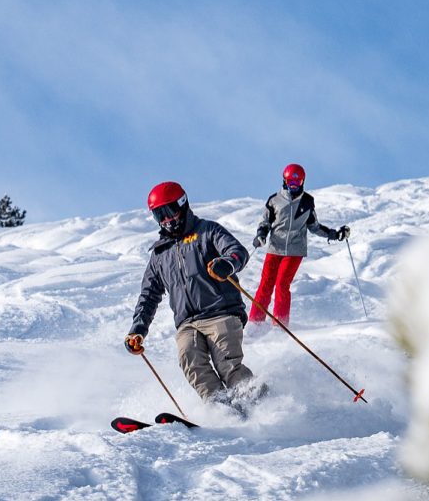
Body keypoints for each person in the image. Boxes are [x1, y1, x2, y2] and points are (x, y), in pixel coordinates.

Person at [125, 181, 260, 409]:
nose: (166, 220)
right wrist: (137, 330)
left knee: (227, 364)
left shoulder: (207, 231)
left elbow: (238, 252)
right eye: (159, 215)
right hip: (187, 323)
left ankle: (259, 405)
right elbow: (148, 295)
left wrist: (228, 264)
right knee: (190, 360)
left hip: (221, 313)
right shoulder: (160, 254)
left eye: (169, 211)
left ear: (183, 205)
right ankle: (221, 409)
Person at [249, 163, 349, 328]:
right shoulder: (274, 200)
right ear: (284, 181)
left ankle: (279, 323)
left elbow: (314, 226)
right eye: (290, 183)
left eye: (297, 183)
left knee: (282, 284)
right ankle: (255, 322)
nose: (293, 187)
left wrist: (334, 234)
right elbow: (265, 222)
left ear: (302, 182)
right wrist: (261, 235)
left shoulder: (307, 201)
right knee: (266, 283)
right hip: (275, 247)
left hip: (295, 250)